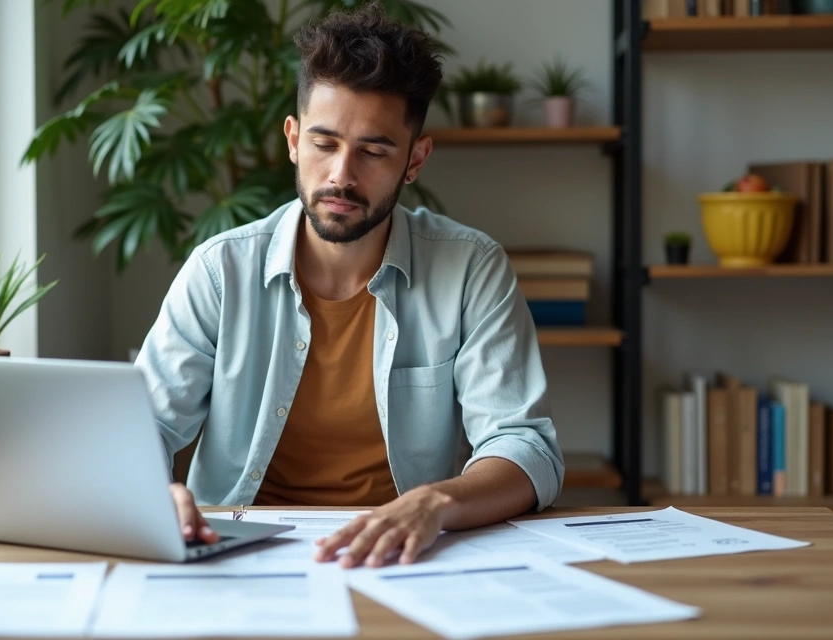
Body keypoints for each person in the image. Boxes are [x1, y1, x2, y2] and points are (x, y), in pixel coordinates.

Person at [136, 3, 563, 569]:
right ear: (292, 140)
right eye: (324, 143)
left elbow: (525, 446)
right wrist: (154, 495)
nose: (342, 174)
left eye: (374, 150)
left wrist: (431, 503)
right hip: (235, 554)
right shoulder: (221, 270)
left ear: (415, 159)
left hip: (404, 555)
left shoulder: (470, 269)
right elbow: (143, 427)